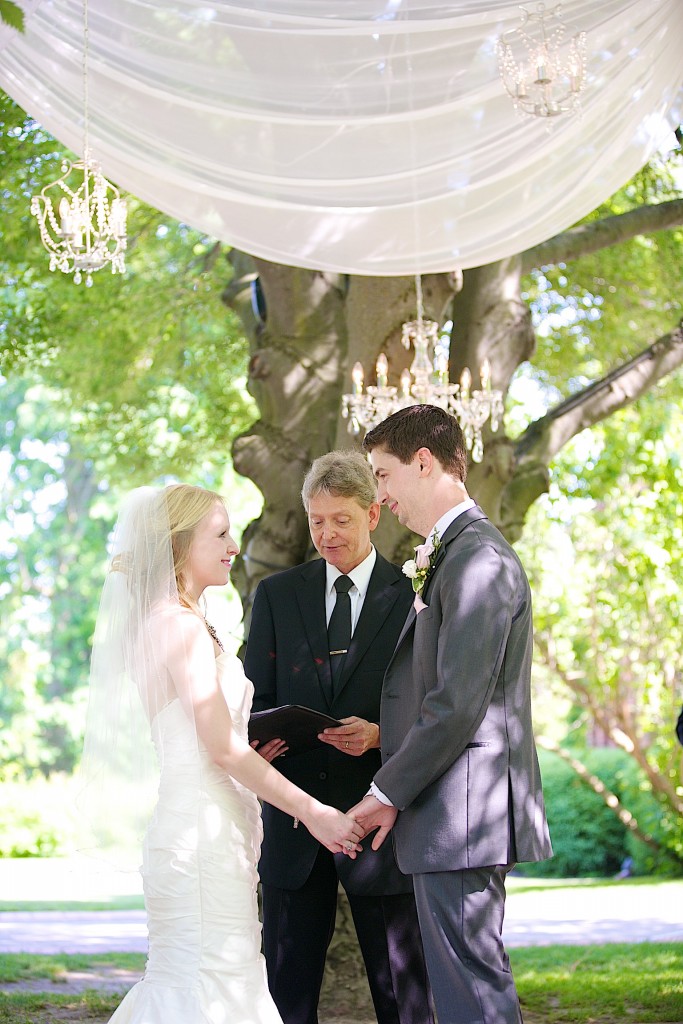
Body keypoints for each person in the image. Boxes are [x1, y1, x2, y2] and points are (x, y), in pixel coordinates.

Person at [80, 484, 362, 1024]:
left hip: (207, 828)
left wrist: (242, 740)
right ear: (181, 545)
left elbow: (206, 736)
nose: (234, 545)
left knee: (209, 981)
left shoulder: (177, 622)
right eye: (221, 534)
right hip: (199, 841)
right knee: (207, 990)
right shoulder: (180, 628)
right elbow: (220, 750)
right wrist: (314, 811)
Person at [351, 405, 553, 1024]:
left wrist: (386, 791)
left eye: (383, 476)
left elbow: (456, 704)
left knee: (472, 989)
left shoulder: (477, 560)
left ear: (424, 463)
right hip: (452, 814)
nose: (380, 496)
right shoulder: (453, 554)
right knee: (462, 984)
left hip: (463, 816)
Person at [244, 451, 433, 1024]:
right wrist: (258, 740)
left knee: (402, 993)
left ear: (374, 514)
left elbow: (436, 703)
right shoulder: (277, 594)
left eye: (341, 520)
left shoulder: (413, 592)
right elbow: (255, 693)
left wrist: (382, 735)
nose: (327, 534)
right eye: (316, 521)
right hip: (294, 820)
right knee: (285, 988)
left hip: (381, 819)